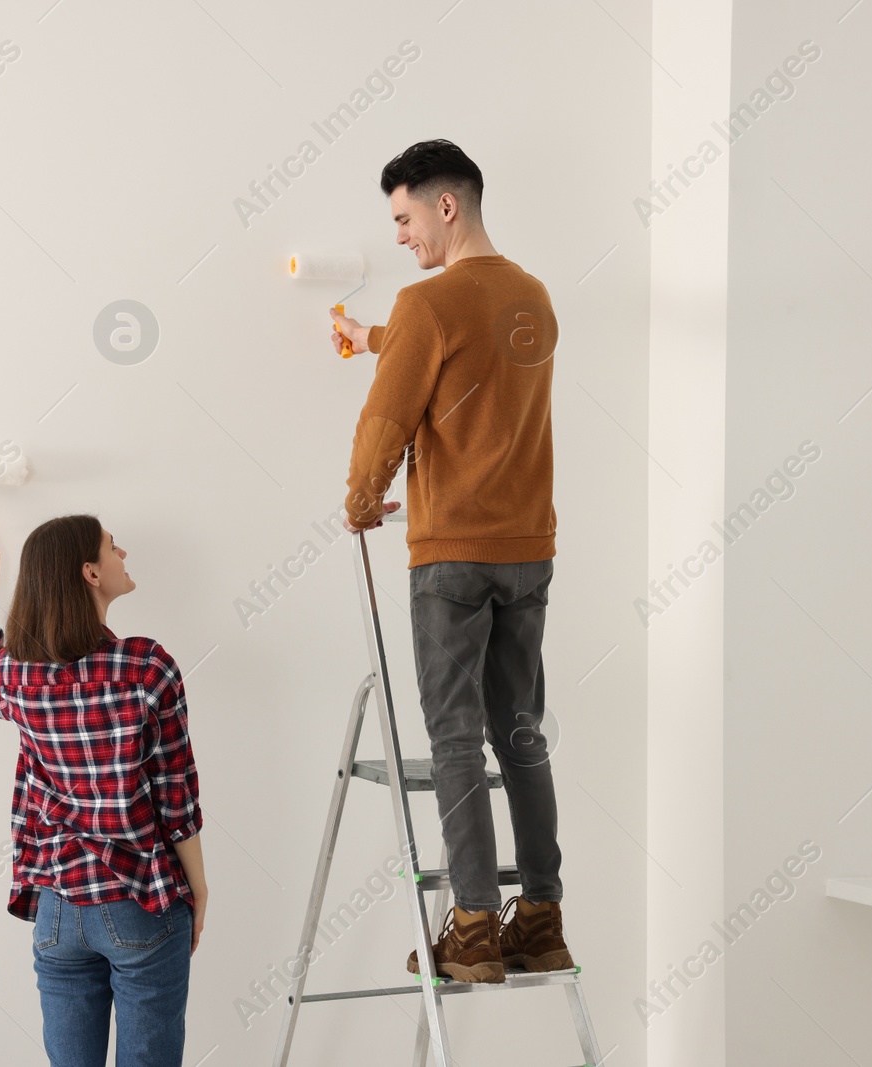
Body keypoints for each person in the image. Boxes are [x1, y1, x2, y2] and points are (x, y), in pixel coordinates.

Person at [331, 139, 571, 985]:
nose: (401, 237)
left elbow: (386, 425)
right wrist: (371, 337)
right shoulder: (532, 297)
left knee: (455, 739)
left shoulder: (427, 306)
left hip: (451, 560)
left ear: (445, 205)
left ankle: (471, 927)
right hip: (528, 549)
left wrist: (362, 502)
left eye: (403, 217)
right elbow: (465, 352)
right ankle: (540, 916)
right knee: (522, 733)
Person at [0, 514, 207, 1065]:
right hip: (138, 899)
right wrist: (199, 888)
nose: (124, 554)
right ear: (90, 573)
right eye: (114, 548)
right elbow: (176, 797)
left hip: (57, 910)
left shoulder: (20, 677)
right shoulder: (145, 666)